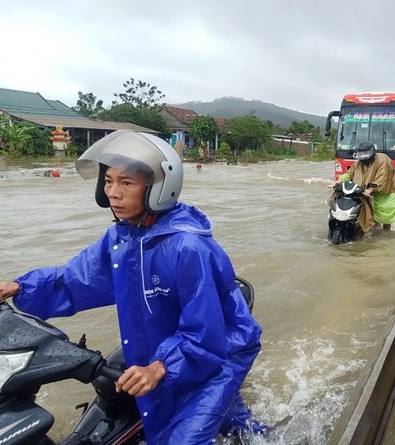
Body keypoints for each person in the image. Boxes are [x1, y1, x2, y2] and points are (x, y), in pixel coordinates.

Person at [0, 130, 263, 444]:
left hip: (222, 350)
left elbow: (205, 336)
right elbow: (76, 279)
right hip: (171, 344)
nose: (113, 193)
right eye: (109, 181)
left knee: (180, 435)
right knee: (227, 423)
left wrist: (160, 367)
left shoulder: (189, 248)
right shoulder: (122, 238)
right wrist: (18, 286)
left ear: (159, 188)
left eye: (126, 183)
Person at [330, 140, 395, 232]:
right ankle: (374, 228)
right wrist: (337, 182)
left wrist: (370, 189)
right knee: (370, 213)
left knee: (385, 216)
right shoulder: (359, 163)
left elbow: (382, 178)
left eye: (365, 154)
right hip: (366, 191)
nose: (364, 157)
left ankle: (386, 232)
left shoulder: (383, 160)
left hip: (385, 192)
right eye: (361, 154)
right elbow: (349, 174)